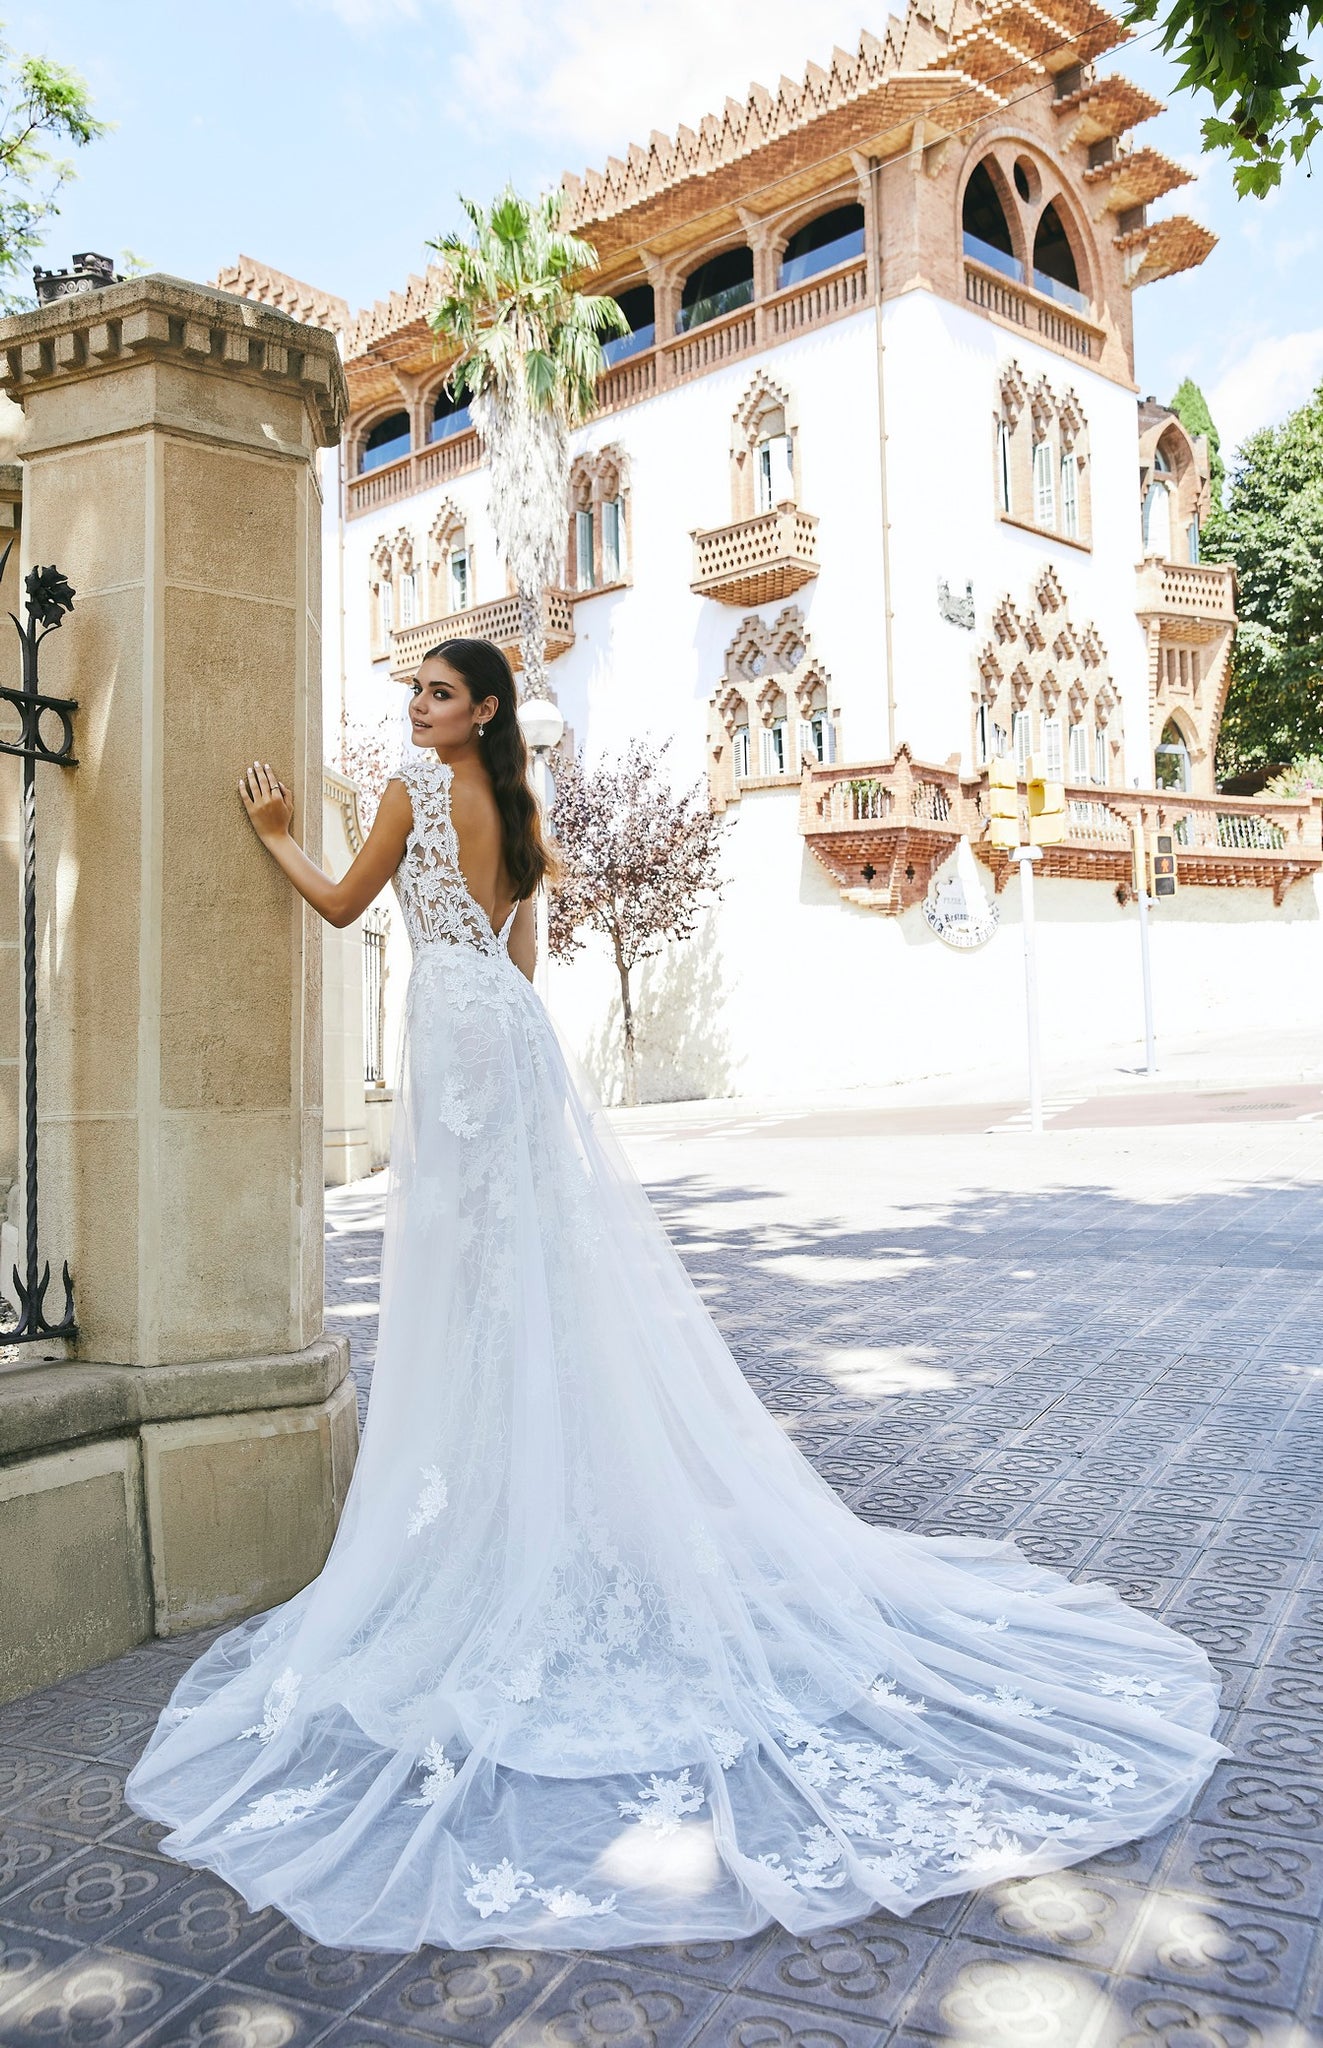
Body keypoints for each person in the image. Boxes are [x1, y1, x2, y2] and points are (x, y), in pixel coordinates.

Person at [126, 636, 1225, 1954]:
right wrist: (477, 1008)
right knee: (533, 1283)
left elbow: (346, 907)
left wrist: (271, 833)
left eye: (432, 693)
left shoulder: (415, 794)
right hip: (513, 1044)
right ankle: (539, 1499)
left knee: (471, 1294)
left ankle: (492, 1518)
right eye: (413, 690)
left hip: (455, 1043)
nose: (412, 707)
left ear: (478, 712)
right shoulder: (522, 810)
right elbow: (522, 969)